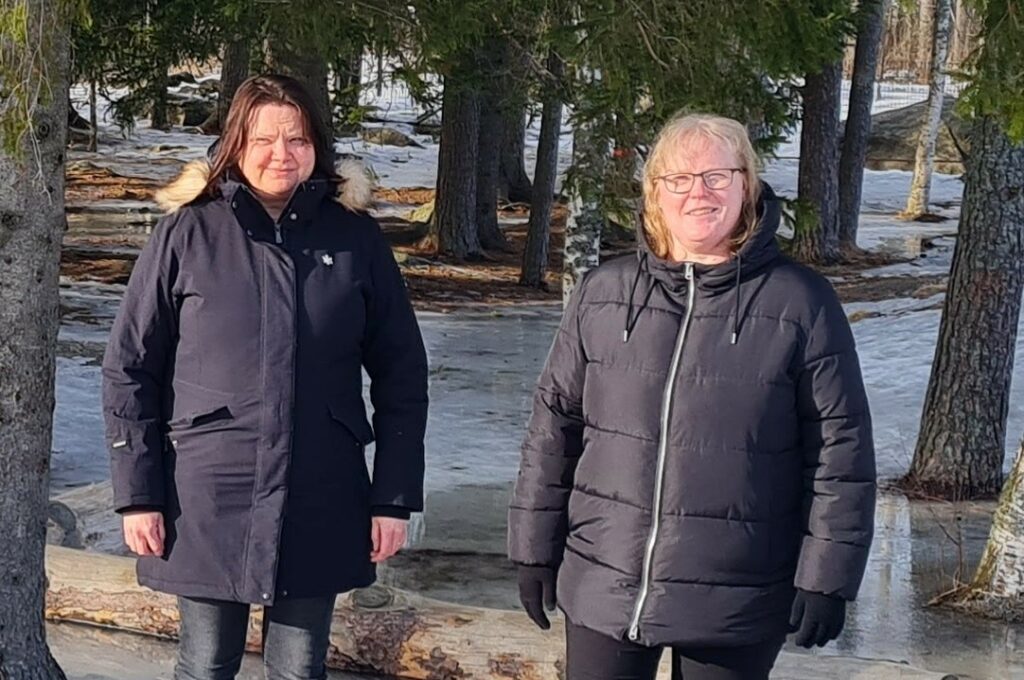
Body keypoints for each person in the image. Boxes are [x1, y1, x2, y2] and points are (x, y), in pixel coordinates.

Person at [508, 112, 875, 680]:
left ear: (746, 185)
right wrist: (532, 548)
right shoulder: (605, 293)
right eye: (678, 178)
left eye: (717, 176)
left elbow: (840, 452)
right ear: (655, 193)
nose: (698, 192)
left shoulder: (800, 304)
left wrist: (828, 576)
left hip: (736, 596)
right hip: (606, 579)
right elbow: (553, 428)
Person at [102, 74, 428, 680]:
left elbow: (401, 374)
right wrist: (138, 493)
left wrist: (393, 497)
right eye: (265, 139)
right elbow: (130, 368)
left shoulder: (355, 239)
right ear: (236, 144)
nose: (282, 154)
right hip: (205, 492)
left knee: (300, 669)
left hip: (322, 489)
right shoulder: (187, 233)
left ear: (318, 148)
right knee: (204, 665)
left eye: (298, 139)